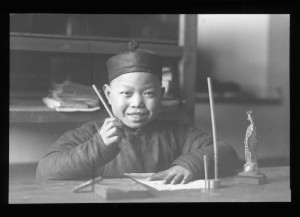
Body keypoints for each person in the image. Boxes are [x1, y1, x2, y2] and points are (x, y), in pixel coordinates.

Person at [36, 41, 239, 184]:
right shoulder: (91, 133)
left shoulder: (179, 134)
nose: (137, 103)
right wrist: (97, 146)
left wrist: (188, 166)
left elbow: (226, 152)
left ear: (161, 94)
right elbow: (45, 171)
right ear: (108, 94)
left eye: (149, 93)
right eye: (126, 93)